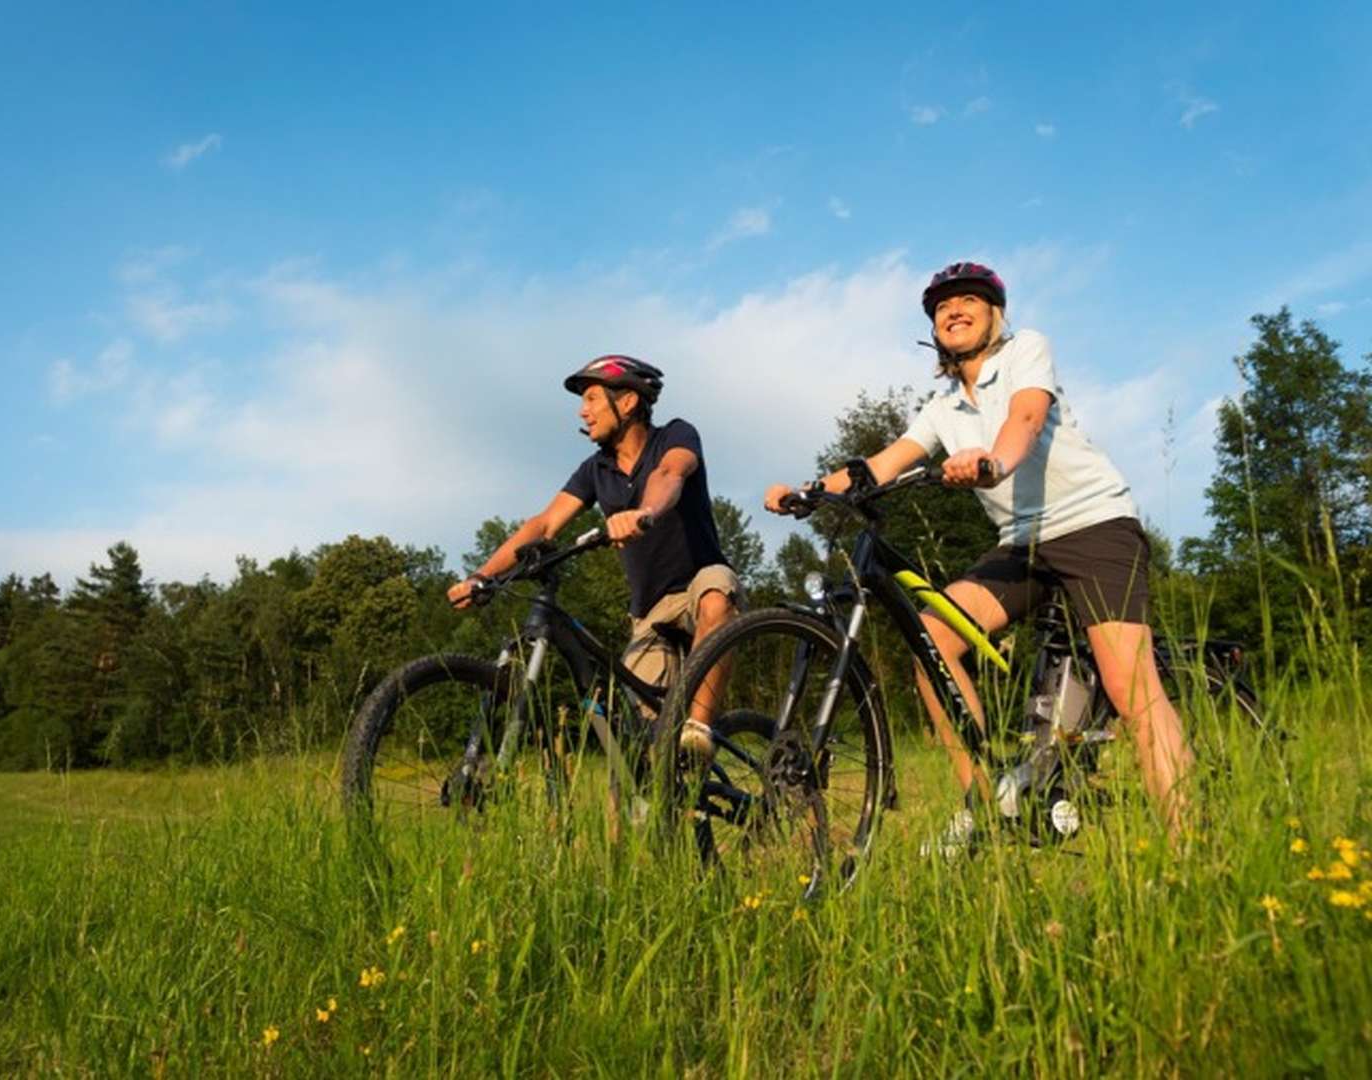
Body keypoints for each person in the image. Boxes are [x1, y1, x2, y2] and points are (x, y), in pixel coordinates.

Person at [764, 262, 1194, 844]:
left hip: (1093, 524)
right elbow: (882, 464)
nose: (953, 310)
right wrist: (811, 491)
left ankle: (1192, 840)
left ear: (996, 314)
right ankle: (988, 802)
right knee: (933, 640)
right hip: (1020, 545)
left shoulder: (1024, 353)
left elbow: (1026, 417)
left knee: (1129, 687)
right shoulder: (943, 408)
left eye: (969, 300)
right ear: (933, 329)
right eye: (942, 307)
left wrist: (993, 462)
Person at [448, 355, 740, 759]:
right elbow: (545, 524)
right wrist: (482, 576)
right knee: (637, 754)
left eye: (590, 399)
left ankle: (699, 732)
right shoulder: (595, 469)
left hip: (696, 585)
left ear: (627, 402)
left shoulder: (675, 435)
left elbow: (669, 474)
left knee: (717, 595)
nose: (582, 412)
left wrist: (645, 513)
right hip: (649, 613)